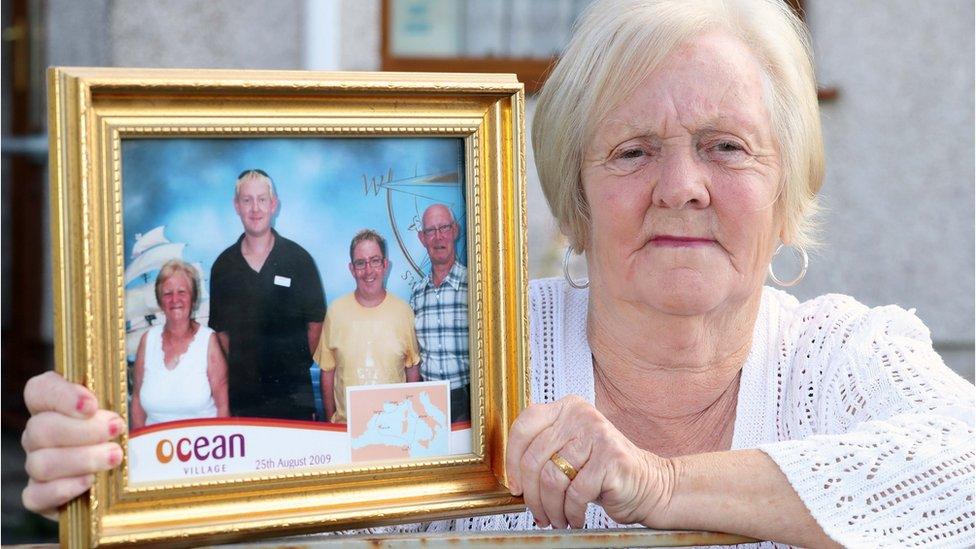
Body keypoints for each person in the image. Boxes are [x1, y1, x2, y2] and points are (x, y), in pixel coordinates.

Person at [18, 0, 974, 545]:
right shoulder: (485, 353)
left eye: (727, 146)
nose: (683, 186)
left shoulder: (843, 354)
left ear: (788, 188)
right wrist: (122, 473)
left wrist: (656, 482)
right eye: (634, 151)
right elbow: (296, 508)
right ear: (572, 199)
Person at [208, 169, 326, 420]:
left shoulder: (300, 260)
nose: (255, 208)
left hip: (295, 400)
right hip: (244, 402)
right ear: (236, 206)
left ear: (274, 204)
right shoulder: (223, 267)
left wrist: (294, 363)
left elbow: (316, 325)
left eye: (262, 199)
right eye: (247, 200)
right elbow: (221, 333)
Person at [315, 229, 421, 423]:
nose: (368, 270)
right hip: (345, 428)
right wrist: (331, 423)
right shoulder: (335, 312)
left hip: (394, 428)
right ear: (352, 269)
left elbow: (412, 369)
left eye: (375, 261)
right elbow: (327, 371)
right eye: (361, 263)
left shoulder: (404, 312)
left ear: (385, 265)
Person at [130, 259, 229, 428]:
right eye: (167, 293)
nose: (175, 299)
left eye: (182, 292)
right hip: (155, 448)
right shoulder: (147, 340)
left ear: (193, 299)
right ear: (160, 301)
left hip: (202, 449)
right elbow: (137, 403)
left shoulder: (208, 341)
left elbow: (223, 407)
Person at [410, 204, 470, 422]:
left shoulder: (473, 286)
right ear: (422, 238)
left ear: (455, 231)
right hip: (427, 403)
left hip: (468, 400)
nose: (438, 237)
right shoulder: (417, 294)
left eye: (443, 228)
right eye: (430, 231)